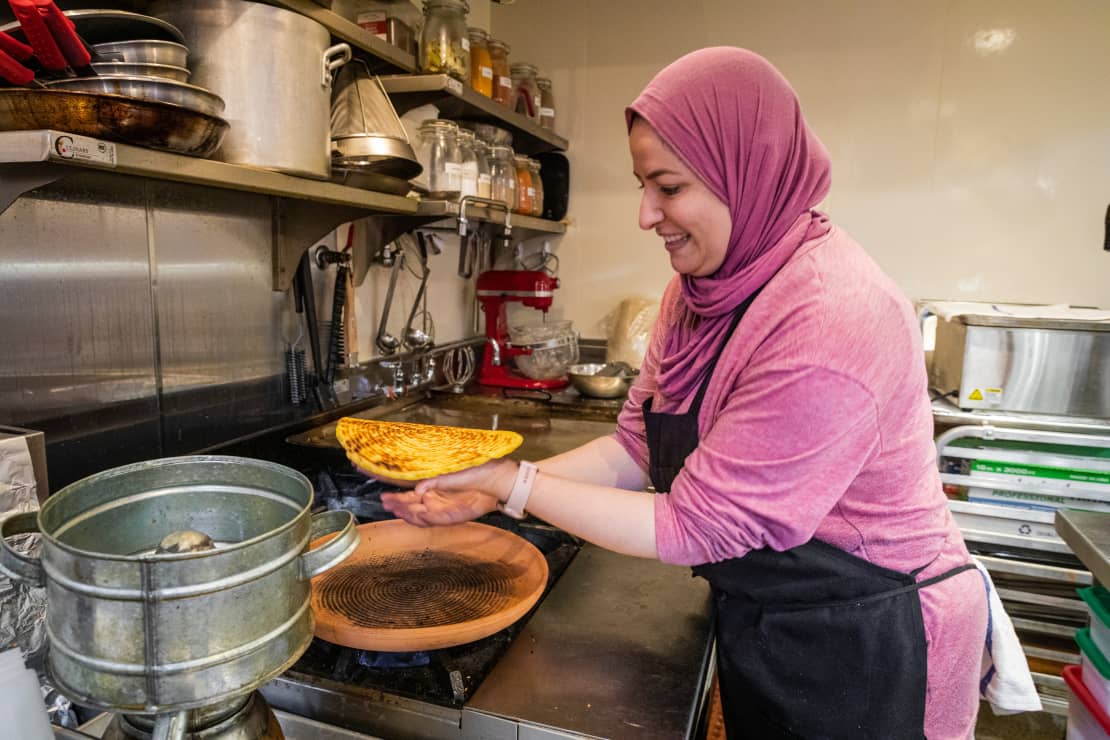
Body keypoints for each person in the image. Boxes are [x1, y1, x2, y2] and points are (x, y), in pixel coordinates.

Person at [377, 47, 989, 739]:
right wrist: (493, 491)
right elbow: (637, 446)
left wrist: (511, 481)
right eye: (644, 184)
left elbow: (696, 525)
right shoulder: (698, 292)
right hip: (774, 611)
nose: (646, 215)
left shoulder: (831, 316)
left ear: (745, 174)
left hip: (874, 634)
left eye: (667, 187)